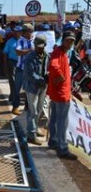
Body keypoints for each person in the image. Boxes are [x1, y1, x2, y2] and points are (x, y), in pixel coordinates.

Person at [47, 31, 78, 160]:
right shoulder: (59, 52)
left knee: (55, 118)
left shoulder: (62, 52)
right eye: (68, 40)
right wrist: (61, 79)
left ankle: (53, 141)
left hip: (58, 92)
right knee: (62, 122)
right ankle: (62, 148)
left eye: (72, 41)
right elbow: (53, 66)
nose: (70, 43)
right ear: (63, 40)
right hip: (61, 94)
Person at [23, 35, 49, 145]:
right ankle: (31, 135)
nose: (39, 49)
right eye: (37, 46)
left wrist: (49, 75)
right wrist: (43, 79)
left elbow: (48, 68)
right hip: (32, 87)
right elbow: (30, 74)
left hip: (43, 87)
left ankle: (36, 127)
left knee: (39, 110)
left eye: (41, 47)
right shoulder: (30, 57)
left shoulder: (47, 55)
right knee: (32, 112)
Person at [12, 23, 34, 115]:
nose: (27, 33)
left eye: (29, 31)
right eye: (25, 32)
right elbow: (18, 52)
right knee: (17, 89)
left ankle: (27, 107)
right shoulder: (20, 40)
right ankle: (15, 107)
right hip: (21, 68)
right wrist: (30, 51)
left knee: (29, 90)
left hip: (31, 69)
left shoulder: (35, 40)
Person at [3, 25, 22, 102]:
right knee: (13, 80)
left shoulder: (24, 40)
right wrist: (5, 65)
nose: (14, 33)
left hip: (22, 62)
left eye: (16, 31)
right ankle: (14, 95)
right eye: (14, 31)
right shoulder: (10, 41)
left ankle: (15, 95)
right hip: (12, 62)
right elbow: (5, 53)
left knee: (21, 80)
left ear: (21, 32)